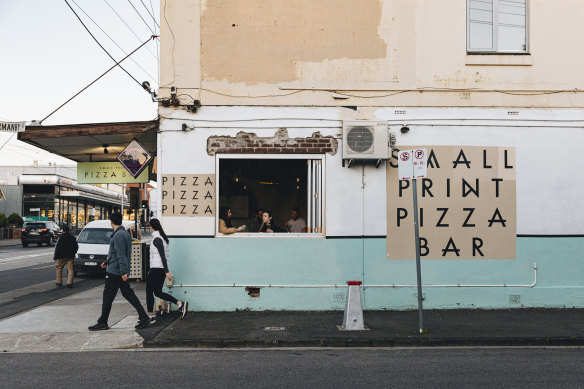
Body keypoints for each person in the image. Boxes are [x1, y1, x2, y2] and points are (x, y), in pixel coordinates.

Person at [88, 212, 151, 331]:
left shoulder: (117, 235)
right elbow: (117, 253)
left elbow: (121, 254)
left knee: (108, 296)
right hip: (117, 269)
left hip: (115, 272)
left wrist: (124, 272)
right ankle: (143, 316)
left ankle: (103, 322)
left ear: (111, 222)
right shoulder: (124, 234)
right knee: (128, 294)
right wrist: (107, 261)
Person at [146, 218, 188, 319]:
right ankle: (180, 304)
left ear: (151, 227)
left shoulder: (157, 239)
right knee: (157, 292)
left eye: (149, 226)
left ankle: (150, 315)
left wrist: (167, 272)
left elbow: (163, 257)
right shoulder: (160, 238)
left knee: (149, 291)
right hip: (159, 269)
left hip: (156, 269)